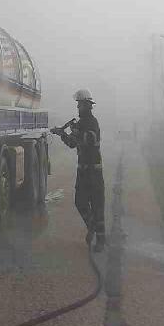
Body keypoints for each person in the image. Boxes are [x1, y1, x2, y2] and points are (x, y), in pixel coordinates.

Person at [51, 89, 105, 252]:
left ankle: (101, 241)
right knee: (79, 202)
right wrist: (62, 134)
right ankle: (92, 226)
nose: (78, 107)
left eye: (80, 104)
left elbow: (90, 139)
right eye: (78, 104)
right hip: (83, 172)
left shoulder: (92, 122)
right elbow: (72, 144)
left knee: (97, 206)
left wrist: (75, 130)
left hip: (94, 172)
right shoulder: (80, 123)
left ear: (87, 105)